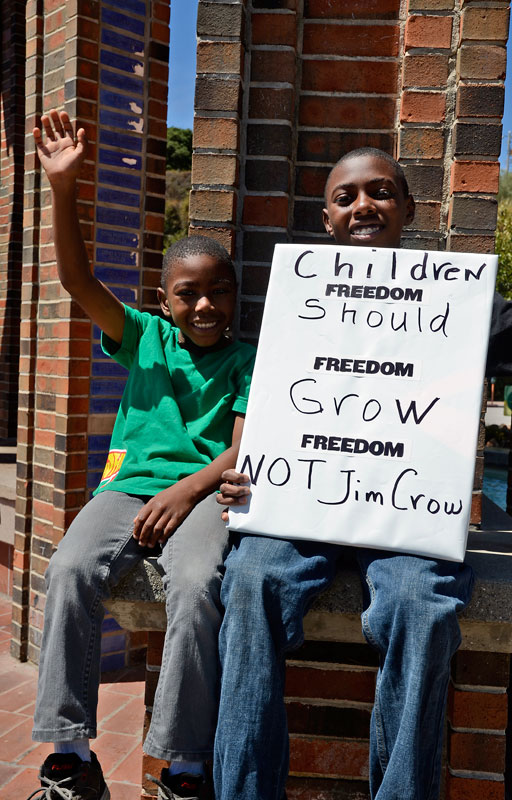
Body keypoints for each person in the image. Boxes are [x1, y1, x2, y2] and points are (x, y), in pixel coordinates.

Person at [213, 148, 478, 800]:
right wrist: (248, 478)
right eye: (346, 197)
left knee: (424, 606)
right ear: (327, 218)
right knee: (248, 579)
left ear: (408, 208)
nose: (364, 205)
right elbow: (272, 420)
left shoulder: (459, 305)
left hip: (408, 512)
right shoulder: (298, 306)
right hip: (304, 505)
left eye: (381, 191)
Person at [30, 110, 255, 800]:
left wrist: (185, 492)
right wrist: (65, 191)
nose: (205, 304)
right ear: (165, 299)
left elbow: (243, 450)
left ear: (235, 298)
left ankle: (181, 765)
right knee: (69, 568)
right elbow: (77, 284)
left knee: (196, 587)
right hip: (126, 490)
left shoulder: (251, 358)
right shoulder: (144, 338)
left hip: (206, 498)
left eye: (219, 290)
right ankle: (71, 753)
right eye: (189, 293)